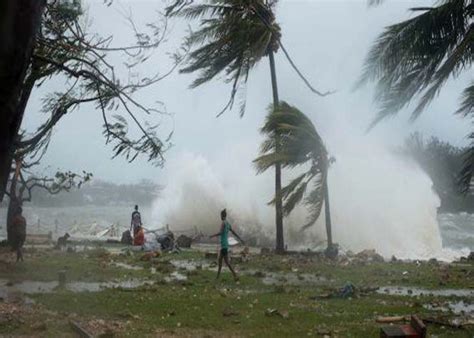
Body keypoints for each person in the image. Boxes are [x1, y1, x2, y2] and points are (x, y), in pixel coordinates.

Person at [210, 209, 244, 281]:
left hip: (223, 245)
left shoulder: (223, 223)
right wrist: (240, 239)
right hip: (225, 244)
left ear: (222, 216)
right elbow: (233, 232)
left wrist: (213, 235)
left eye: (221, 215)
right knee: (223, 261)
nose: (220, 217)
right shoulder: (228, 224)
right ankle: (232, 276)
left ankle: (233, 276)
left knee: (224, 262)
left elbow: (221, 232)